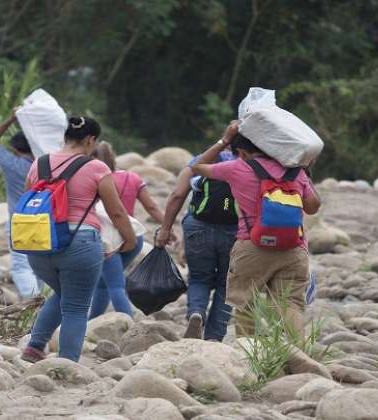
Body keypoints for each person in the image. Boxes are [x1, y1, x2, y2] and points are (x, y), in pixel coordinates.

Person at [188, 121, 321, 341]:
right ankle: (300, 355)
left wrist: (224, 141)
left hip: (252, 246)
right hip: (294, 248)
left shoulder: (239, 167)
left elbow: (197, 166)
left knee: (245, 302)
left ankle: (251, 356)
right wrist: (304, 171)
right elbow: (313, 207)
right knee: (291, 305)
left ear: (241, 151)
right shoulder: (294, 170)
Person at [20, 117, 137, 363]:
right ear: (91, 140)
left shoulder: (38, 164)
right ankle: (67, 362)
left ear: (66, 137)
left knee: (64, 294)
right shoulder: (97, 168)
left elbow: (27, 203)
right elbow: (116, 212)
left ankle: (35, 346)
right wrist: (129, 240)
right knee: (75, 306)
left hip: (39, 245)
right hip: (80, 244)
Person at [156, 149, 237, 340]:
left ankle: (196, 313)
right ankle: (214, 337)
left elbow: (177, 195)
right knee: (227, 284)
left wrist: (166, 228)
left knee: (199, 278)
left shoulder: (203, 160)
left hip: (198, 226)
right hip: (234, 230)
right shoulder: (250, 162)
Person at [88, 141, 165, 319]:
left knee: (115, 284)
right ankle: (92, 320)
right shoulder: (133, 178)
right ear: (114, 157)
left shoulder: (94, 178)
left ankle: (128, 324)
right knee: (103, 282)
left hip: (109, 239)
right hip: (133, 237)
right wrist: (168, 227)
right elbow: (152, 207)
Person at [0, 113, 42, 298]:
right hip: (46, 220)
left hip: (20, 221)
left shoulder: (12, 164)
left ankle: (34, 302)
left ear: (16, 149)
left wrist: (10, 119)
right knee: (43, 264)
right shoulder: (46, 165)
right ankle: (46, 303)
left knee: (20, 267)